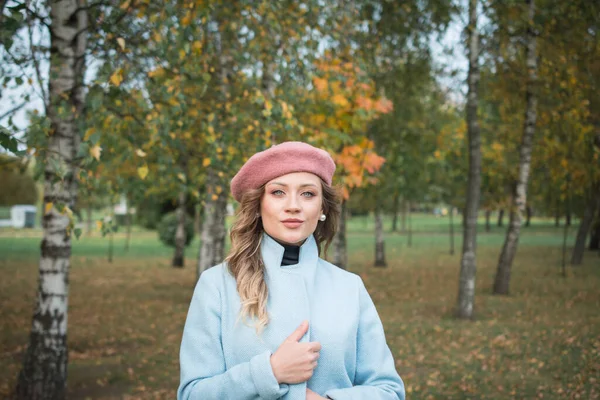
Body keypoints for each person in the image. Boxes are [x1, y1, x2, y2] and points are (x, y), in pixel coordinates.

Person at [178, 141, 405, 400]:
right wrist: (269, 372)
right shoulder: (216, 285)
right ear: (258, 205)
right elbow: (192, 394)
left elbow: (389, 391)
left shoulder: (349, 287)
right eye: (278, 192)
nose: (293, 205)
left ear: (322, 208)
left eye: (308, 194)